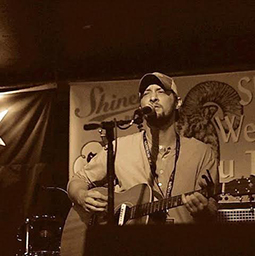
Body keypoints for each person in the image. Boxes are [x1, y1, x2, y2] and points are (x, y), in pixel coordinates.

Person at [67, 72, 219, 224]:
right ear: (140, 106)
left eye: (160, 91)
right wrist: (81, 196)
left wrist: (204, 210)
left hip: (181, 244)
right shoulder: (120, 147)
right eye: (147, 93)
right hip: (128, 245)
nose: (153, 98)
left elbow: (212, 209)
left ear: (177, 102)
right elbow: (77, 180)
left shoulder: (202, 152)